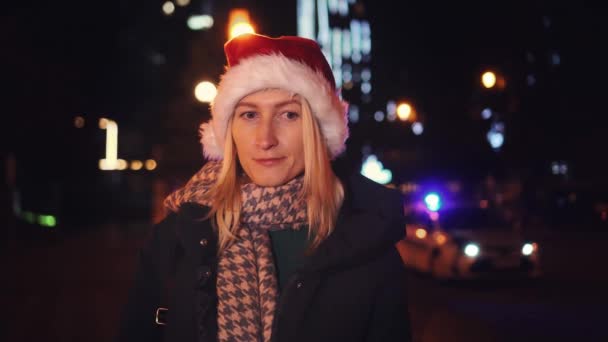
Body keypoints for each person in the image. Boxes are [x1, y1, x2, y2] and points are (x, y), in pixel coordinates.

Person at [116, 33, 411, 342]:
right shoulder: (174, 240)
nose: (265, 139)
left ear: (319, 132)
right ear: (229, 131)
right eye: (249, 114)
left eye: (288, 114)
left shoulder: (370, 251)